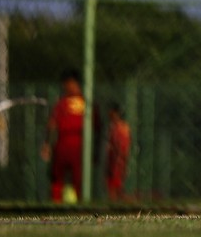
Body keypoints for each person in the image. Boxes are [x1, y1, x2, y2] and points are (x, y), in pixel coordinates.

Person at [41, 68, 98, 203]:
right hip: (64, 144)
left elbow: (96, 128)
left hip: (80, 145)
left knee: (78, 179)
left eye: (68, 83)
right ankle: (56, 204)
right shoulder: (63, 103)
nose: (66, 86)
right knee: (58, 177)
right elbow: (52, 124)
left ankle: (80, 206)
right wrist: (48, 144)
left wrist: (94, 150)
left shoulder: (86, 104)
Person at [105, 102, 132, 202]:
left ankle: (117, 202)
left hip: (118, 159)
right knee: (111, 183)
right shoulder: (112, 127)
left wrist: (120, 157)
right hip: (112, 159)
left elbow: (123, 146)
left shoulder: (122, 127)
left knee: (116, 184)